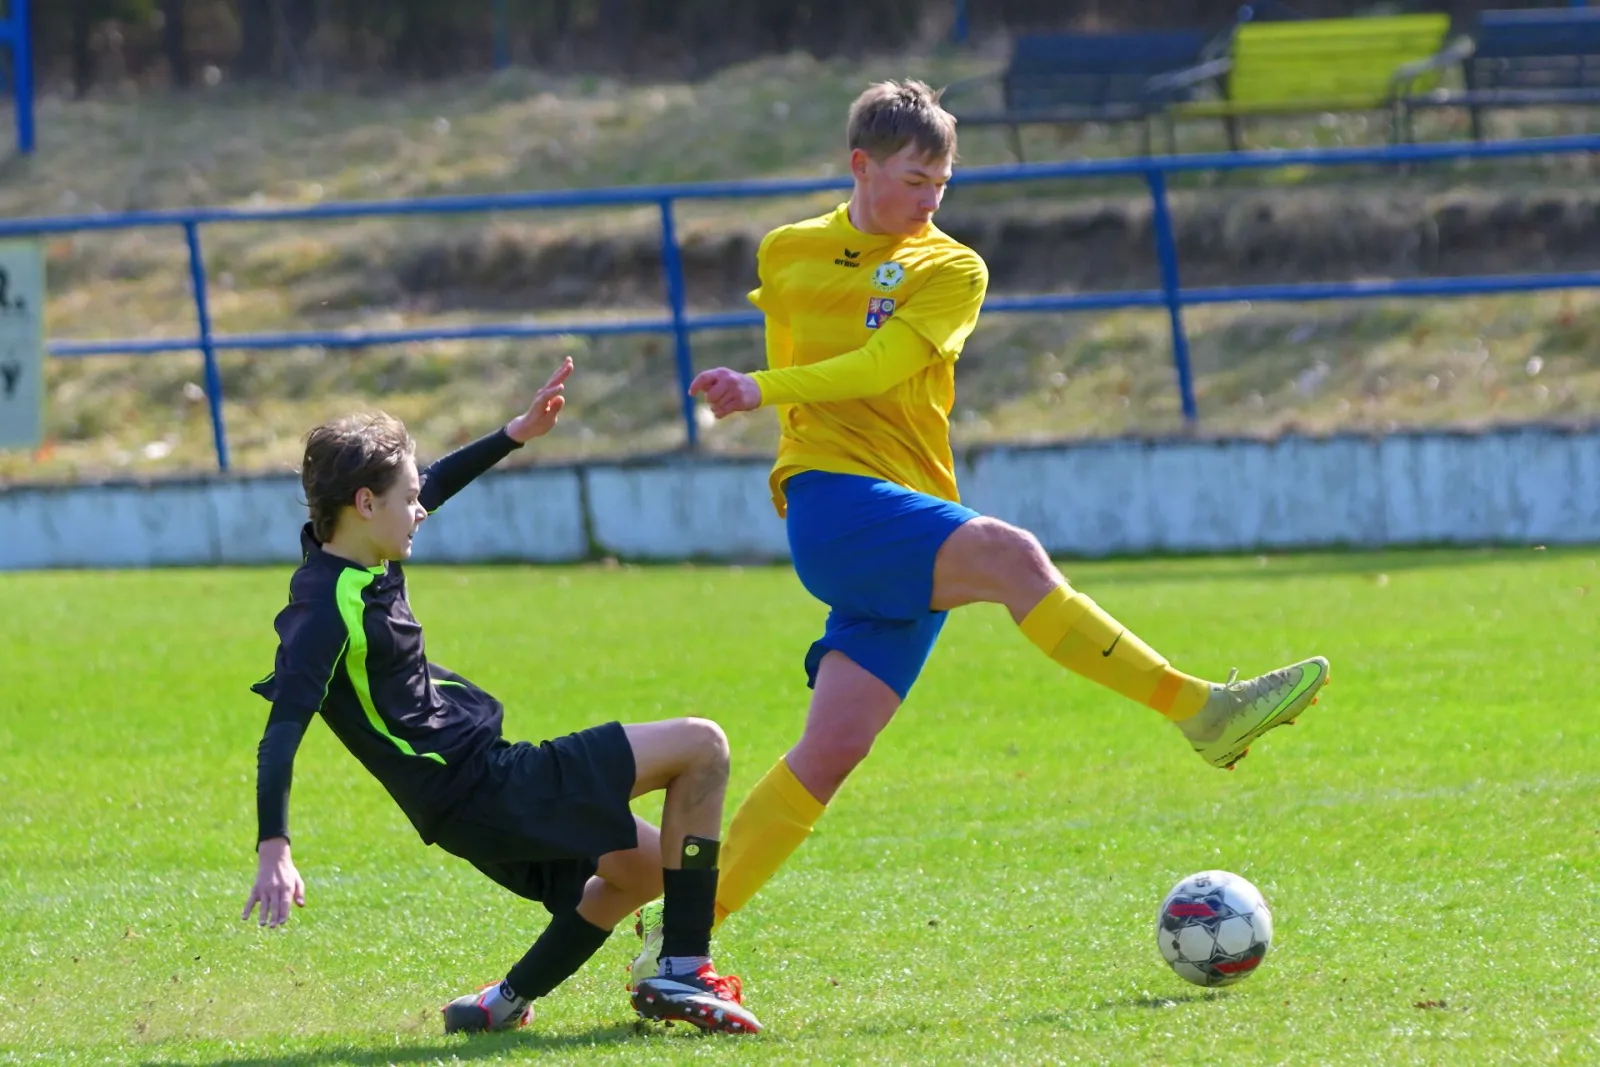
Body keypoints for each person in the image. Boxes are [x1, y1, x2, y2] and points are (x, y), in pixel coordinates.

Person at [631, 79, 1330, 980]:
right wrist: (768, 397)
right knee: (1011, 556)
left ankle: (679, 938)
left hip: (909, 507)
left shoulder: (953, 268)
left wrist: (759, 388)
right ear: (861, 165)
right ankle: (1202, 711)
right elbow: (812, 382)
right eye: (914, 179)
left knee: (831, 751)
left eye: (942, 183)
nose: (930, 199)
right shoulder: (787, 249)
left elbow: (881, 365)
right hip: (832, 501)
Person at [241, 357, 759, 1035]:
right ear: (365, 504)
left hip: (469, 797)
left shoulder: (352, 551)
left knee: (642, 870)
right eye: (407, 499)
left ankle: (502, 1003)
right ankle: (685, 967)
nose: (420, 510)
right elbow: (282, 730)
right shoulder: (324, 611)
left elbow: (433, 486)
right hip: (486, 784)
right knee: (703, 746)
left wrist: (513, 435)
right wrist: (274, 846)